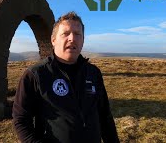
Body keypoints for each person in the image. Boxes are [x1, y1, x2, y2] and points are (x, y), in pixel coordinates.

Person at [12, 11, 119, 143]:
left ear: (83, 41)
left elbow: (105, 116)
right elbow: (21, 119)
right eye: (65, 33)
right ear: (53, 40)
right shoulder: (35, 75)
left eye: (77, 34)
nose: (72, 38)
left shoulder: (93, 72)